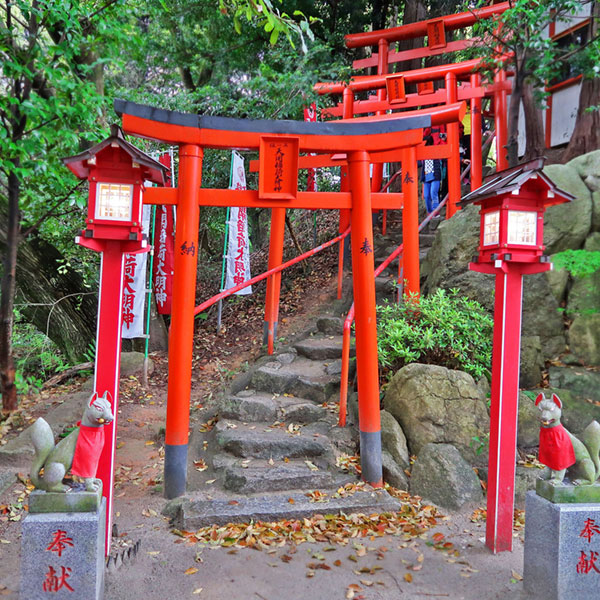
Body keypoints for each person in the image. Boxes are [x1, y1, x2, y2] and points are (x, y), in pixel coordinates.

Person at [419, 135, 444, 214]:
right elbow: (418, 163)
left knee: (433, 193)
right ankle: (430, 212)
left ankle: (435, 212)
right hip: (426, 177)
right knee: (426, 196)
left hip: (435, 176)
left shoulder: (435, 151)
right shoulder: (422, 153)